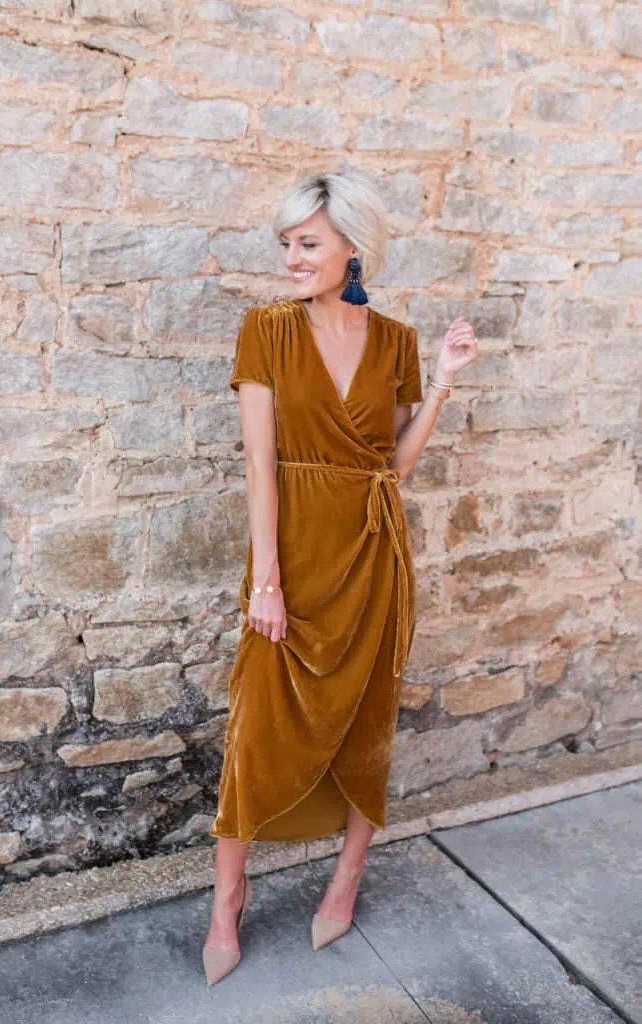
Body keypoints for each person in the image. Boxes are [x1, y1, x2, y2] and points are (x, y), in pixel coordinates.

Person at [202, 169, 479, 985]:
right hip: (292, 554)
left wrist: (444, 380)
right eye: (286, 244)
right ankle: (227, 899)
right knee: (257, 724)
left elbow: (391, 465)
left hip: (372, 553)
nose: (291, 258)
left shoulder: (394, 340)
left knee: (366, 720)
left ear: (352, 247)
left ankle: (346, 878)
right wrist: (266, 581)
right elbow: (259, 464)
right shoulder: (265, 329)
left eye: (307, 243)